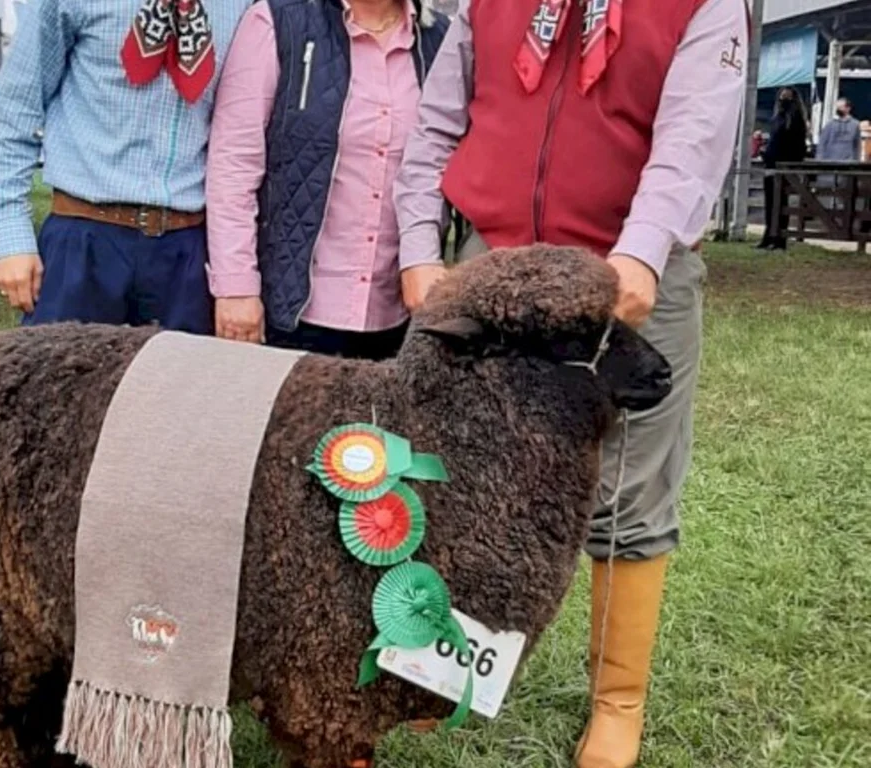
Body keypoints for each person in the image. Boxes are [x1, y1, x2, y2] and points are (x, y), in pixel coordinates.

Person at [393, 0, 746, 765]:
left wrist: (644, 252)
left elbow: (691, 142)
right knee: (459, 473)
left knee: (631, 488)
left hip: (627, 270)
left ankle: (617, 703)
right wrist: (419, 244)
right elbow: (434, 128)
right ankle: (442, 660)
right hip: (499, 267)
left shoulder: (704, 6)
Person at [0, 0, 252, 329]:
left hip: (185, 249)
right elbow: (13, 111)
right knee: (64, 378)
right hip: (83, 240)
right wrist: (12, 238)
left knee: (179, 380)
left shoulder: (242, 6)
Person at [206, 0, 449, 360]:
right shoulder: (279, 22)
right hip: (290, 313)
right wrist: (235, 286)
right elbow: (234, 164)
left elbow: (438, 162)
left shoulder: (436, 40)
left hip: (395, 320)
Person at [756, 87, 808, 250]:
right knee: (770, 202)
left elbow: (797, 146)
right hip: (771, 164)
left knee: (781, 203)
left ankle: (779, 238)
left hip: (783, 165)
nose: (783, 100)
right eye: (781, 97)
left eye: (786, 97)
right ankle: (769, 235)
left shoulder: (794, 119)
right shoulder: (777, 117)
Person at [816, 97, 861, 163]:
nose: (838, 109)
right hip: (830, 161)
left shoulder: (855, 124)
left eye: (841, 107)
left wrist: (856, 160)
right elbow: (822, 143)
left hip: (848, 162)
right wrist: (819, 159)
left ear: (848, 108)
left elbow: (857, 144)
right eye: (837, 107)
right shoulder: (830, 124)